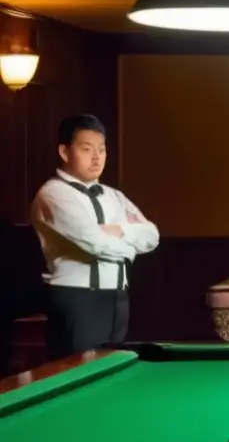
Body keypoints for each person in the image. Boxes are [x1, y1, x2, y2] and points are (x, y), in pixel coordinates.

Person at [30, 114, 160, 360]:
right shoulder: (54, 194)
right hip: (77, 301)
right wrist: (130, 248)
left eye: (102, 149)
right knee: (74, 373)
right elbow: (95, 243)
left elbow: (152, 236)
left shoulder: (114, 196)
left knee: (112, 372)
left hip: (118, 299)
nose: (97, 157)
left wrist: (122, 230)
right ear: (65, 152)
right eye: (87, 149)